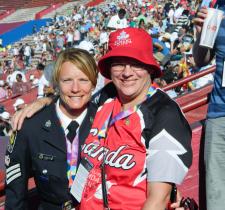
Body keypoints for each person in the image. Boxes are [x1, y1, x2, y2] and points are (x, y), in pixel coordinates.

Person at [12, 28, 192, 210]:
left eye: (135, 63)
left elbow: (157, 201)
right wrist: (45, 102)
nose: (127, 72)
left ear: (149, 67)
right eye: (119, 64)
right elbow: (74, 95)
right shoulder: (107, 97)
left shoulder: (165, 114)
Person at [5, 48, 98, 210]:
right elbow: (15, 195)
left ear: (94, 83)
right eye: (67, 80)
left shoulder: (107, 120)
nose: (75, 88)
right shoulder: (29, 126)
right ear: (56, 82)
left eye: (83, 80)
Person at [193, 2, 225, 210]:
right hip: (219, 113)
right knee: (216, 198)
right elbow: (200, 60)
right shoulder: (217, 6)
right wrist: (200, 35)